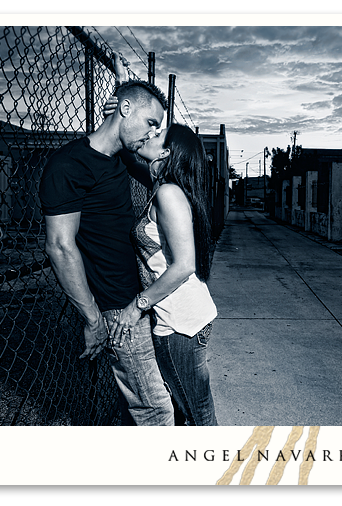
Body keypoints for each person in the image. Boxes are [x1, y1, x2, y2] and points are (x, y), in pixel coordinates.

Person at [39, 56, 175, 426]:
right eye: (150, 123)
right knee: (156, 411)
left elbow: (157, 152)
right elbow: (60, 246)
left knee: (151, 401)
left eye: (157, 127)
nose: (152, 133)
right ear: (125, 109)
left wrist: (121, 86)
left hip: (138, 299)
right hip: (117, 309)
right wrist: (92, 317)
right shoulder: (69, 165)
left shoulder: (121, 159)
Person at [102, 96, 219, 426]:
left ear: (167, 153)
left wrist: (137, 305)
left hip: (180, 323)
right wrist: (121, 103)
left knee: (198, 416)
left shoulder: (168, 193)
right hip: (184, 317)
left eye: (157, 134)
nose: (148, 135)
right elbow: (127, 144)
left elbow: (184, 265)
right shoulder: (160, 185)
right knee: (188, 410)